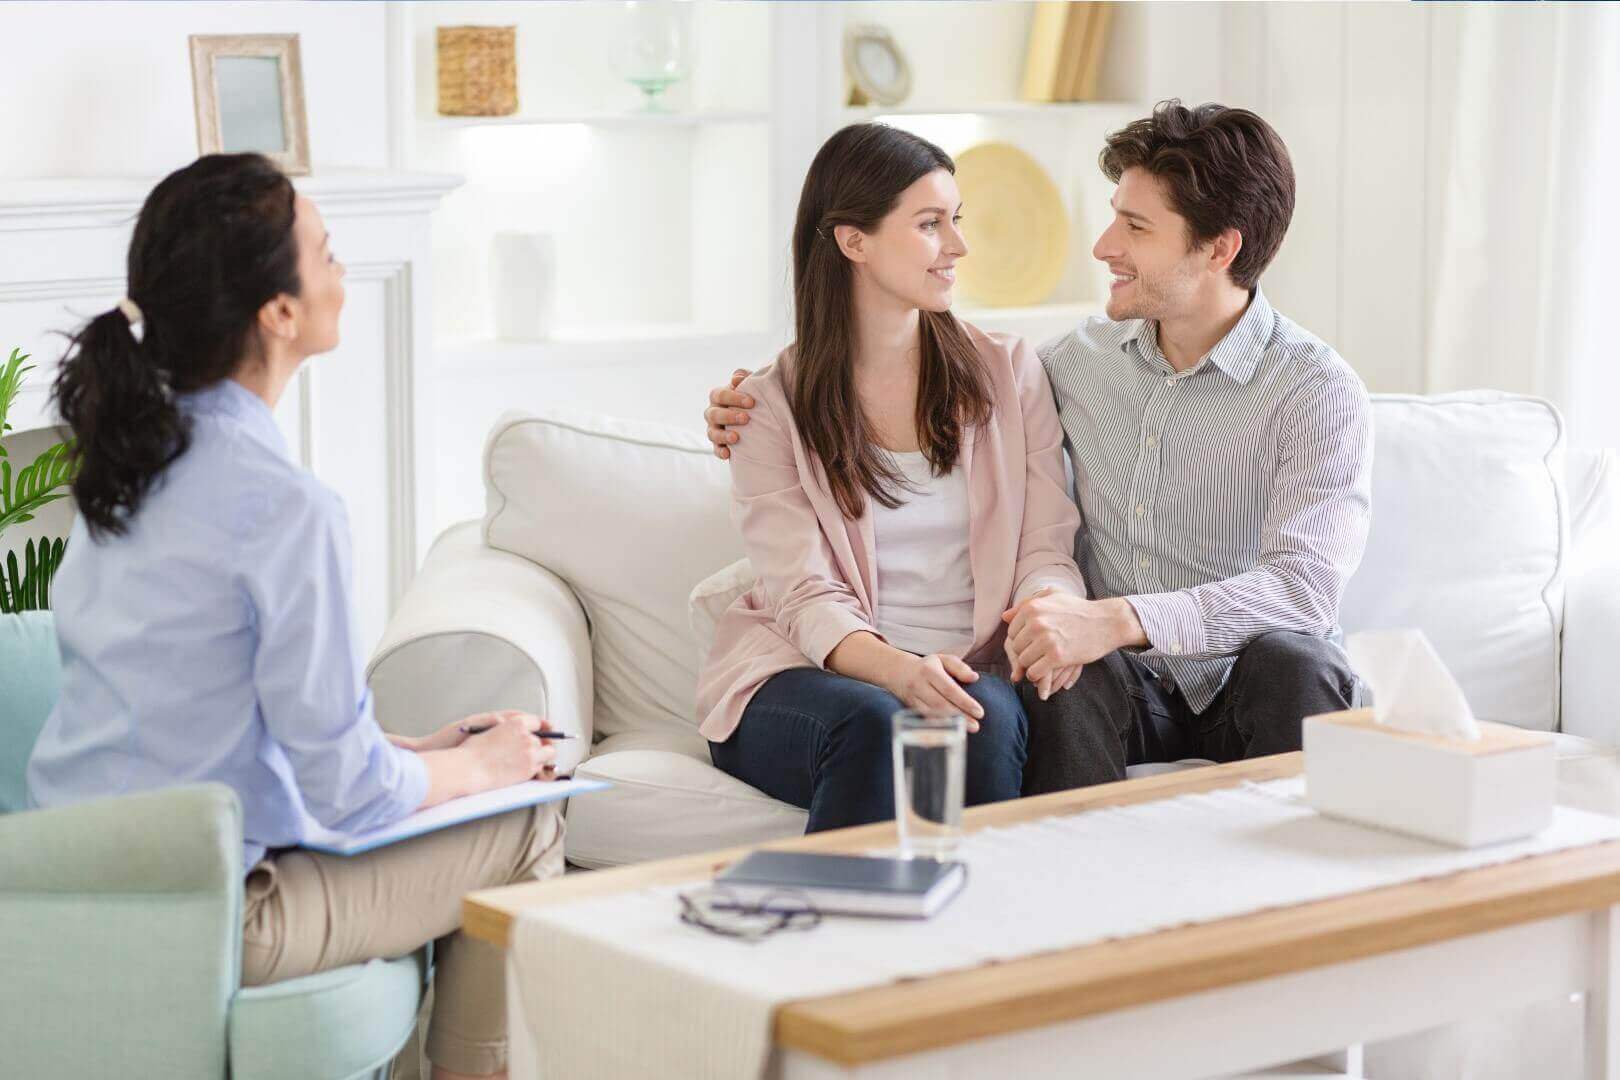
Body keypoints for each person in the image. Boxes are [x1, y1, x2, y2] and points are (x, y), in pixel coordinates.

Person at [26, 153, 558, 1080]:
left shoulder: (122, 469)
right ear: (278, 312)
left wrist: (418, 753)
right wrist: (481, 766)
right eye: (326, 254)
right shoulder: (284, 504)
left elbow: (201, 716)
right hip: (226, 914)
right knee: (530, 819)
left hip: (78, 891)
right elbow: (347, 794)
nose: (344, 277)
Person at [705, 102, 1372, 792]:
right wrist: (745, 407)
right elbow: (924, 385)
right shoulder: (1070, 364)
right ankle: (1064, 882)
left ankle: (1317, 892)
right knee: (1064, 670)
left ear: (1218, 248)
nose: (1104, 245)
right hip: (1114, 683)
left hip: (1242, 675)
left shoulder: (1314, 390)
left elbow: (1304, 589)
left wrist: (1115, 619)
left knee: (1301, 664)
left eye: (1135, 227)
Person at [694, 123, 1086, 831]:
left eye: (955, 220)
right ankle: (832, 936)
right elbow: (803, 592)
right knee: (878, 721)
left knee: (982, 716)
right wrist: (897, 669)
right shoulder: (766, 406)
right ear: (854, 241)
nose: (959, 246)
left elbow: (1045, 545)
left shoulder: (1009, 373)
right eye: (931, 224)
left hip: (964, 665)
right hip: (807, 675)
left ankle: (977, 936)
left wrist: (1048, 610)